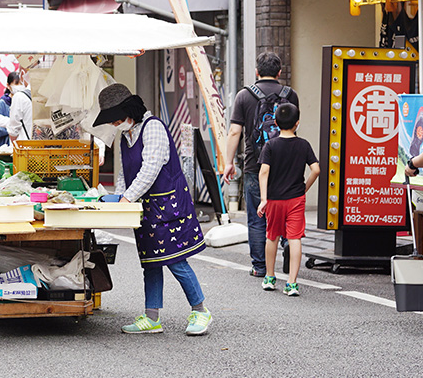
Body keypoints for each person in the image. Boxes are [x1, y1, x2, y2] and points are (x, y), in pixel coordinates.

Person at [93, 83, 211, 335]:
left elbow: (151, 168)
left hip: (168, 205)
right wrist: (119, 199)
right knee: (151, 262)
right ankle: (152, 317)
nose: (114, 125)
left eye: (115, 119)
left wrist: (128, 199)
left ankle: (201, 311)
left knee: (176, 261)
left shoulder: (153, 127)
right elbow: (125, 173)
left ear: (128, 112)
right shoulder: (127, 134)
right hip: (145, 208)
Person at [223, 51, 299, 278]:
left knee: (258, 217)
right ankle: (287, 242)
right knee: (286, 211)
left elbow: (235, 131)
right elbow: (294, 127)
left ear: (257, 72)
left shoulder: (244, 96)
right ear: (279, 72)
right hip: (286, 165)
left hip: (255, 165)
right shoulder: (290, 94)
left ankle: (260, 266)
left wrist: (229, 162)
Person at [257, 103, 320, 296]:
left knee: (272, 236)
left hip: (274, 199)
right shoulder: (304, 145)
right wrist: (304, 188)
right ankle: (292, 283)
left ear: (275, 123)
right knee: (294, 238)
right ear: (297, 123)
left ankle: (269, 277)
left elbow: (264, 171)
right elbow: (316, 169)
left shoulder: (270, 145)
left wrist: (263, 199)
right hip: (295, 199)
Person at [0, 72, 18, 147]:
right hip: (4, 146)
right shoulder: (3, 103)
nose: (19, 87)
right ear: (8, 85)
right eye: (16, 84)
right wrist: (14, 129)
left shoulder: (23, 101)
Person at [7, 71, 33, 142]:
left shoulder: (19, 97)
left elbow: (14, 128)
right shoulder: (47, 94)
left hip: (25, 146)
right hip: (45, 147)